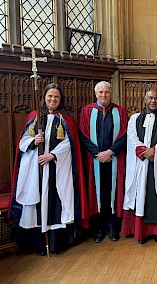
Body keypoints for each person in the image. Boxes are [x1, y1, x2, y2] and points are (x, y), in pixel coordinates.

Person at [8, 83, 89, 255]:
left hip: (57, 170)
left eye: (56, 97)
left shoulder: (66, 119)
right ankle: (39, 245)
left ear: (61, 99)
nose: (53, 99)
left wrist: (52, 155)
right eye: (50, 96)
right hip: (37, 171)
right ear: (44, 97)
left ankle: (55, 244)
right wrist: (33, 141)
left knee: (54, 202)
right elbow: (23, 143)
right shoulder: (34, 116)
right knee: (38, 204)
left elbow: (69, 144)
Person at [121, 89, 157, 244]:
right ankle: (142, 232)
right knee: (141, 195)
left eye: (156, 98)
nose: (153, 101)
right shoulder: (135, 118)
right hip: (141, 164)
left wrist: (155, 151)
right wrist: (144, 152)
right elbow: (131, 137)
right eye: (150, 98)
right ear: (144, 99)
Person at [79, 81, 128, 243]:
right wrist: (97, 154)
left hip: (115, 159)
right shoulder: (87, 111)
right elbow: (83, 135)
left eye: (106, 92)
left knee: (113, 193)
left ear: (111, 93)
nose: (103, 95)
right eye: (100, 92)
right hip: (95, 161)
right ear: (96, 94)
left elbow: (124, 134)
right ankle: (99, 228)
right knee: (97, 194)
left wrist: (111, 151)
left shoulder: (120, 111)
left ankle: (113, 227)